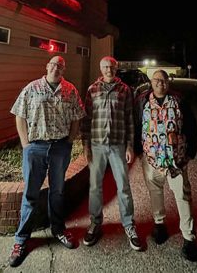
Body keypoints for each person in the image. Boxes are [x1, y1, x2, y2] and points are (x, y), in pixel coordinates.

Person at [8, 56, 86, 268]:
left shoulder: (70, 90)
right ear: (47, 66)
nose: (56, 67)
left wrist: (69, 141)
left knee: (57, 191)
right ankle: (21, 239)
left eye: (60, 65)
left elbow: (77, 116)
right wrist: (26, 144)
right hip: (36, 147)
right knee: (31, 194)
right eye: (53, 64)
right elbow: (19, 114)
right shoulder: (32, 88)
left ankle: (58, 229)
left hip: (60, 147)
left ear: (64, 69)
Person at [137, 70, 197, 261]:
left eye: (164, 80)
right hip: (152, 159)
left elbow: (191, 126)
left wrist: (190, 153)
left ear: (168, 82)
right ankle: (159, 225)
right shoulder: (142, 101)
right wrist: (136, 150)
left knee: (183, 195)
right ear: (151, 81)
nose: (161, 84)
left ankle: (189, 238)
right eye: (157, 80)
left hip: (176, 160)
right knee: (155, 192)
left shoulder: (179, 100)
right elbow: (136, 124)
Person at [81, 57, 143, 251]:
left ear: (116, 69)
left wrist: (130, 146)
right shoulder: (92, 89)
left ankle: (128, 225)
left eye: (112, 66)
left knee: (123, 186)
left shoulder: (125, 90)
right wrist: (85, 146)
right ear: (101, 69)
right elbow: (86, 119)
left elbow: (130, 120)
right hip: (97, 145)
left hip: (118, 145)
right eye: (106, 67)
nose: (109, 69)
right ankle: (95, 223)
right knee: (94, 187)